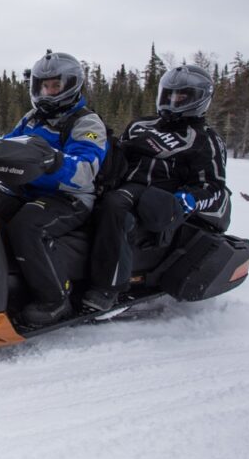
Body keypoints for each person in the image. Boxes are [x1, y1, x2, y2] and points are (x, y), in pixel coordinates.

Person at [83, 64, 230, 311]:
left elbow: (214, 186)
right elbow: (119, 154)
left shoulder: (205, 139)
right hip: (122, 184)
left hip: (158, 195)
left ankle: (109, 287)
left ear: (199, 99)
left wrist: (186, 200)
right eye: (169, 94)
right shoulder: (141, 125)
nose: (173, 101)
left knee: (114, 206)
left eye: (181, 96)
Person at [1, 50, 108, 326]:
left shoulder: (86, 122)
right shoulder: (32, 119)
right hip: (29, 192)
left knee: (27, 225)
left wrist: (55, 161)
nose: (48, 92)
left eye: (55, 86)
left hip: (70, 199)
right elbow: (9, 145)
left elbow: (85, 170)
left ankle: (55, 300)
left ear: (71, 85)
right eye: (43, 86)